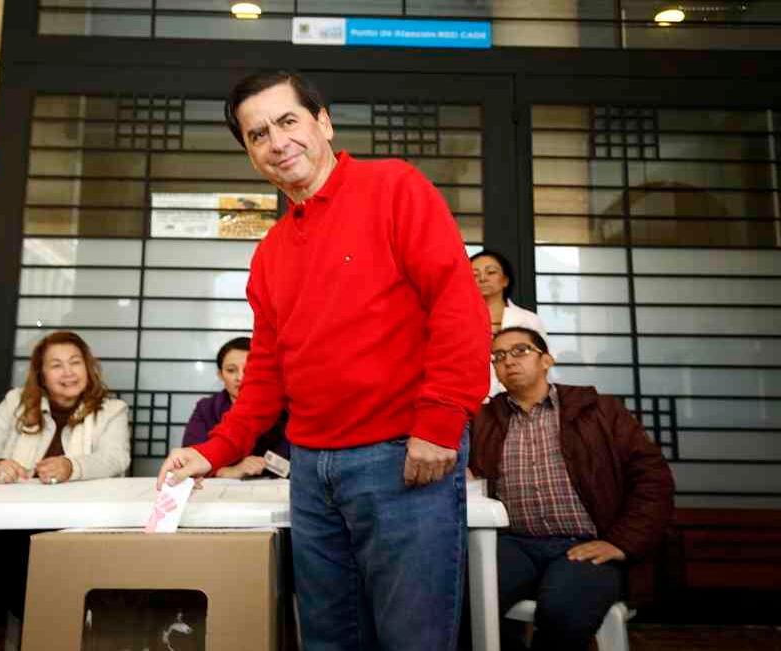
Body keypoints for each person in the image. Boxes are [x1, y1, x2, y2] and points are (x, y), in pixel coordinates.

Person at [157, 70, 490, 650]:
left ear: (323, 123)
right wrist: (211, 451)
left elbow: (457, 306)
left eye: (288, 121)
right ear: (250, 154)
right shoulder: (269, 254)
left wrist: (440, 421)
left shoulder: (395, 187)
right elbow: (265, 375)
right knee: (329, 639)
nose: (277, 142)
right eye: (257, 135)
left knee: (414, 639)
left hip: (403, 455)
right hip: (311, 471)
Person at [469, 326, 674, 651]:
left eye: (520, 351)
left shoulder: (599, 411)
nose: (508, 361)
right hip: (513, 543)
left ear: (546, 360)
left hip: (586, 543)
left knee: (564, 611)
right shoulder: (485, 420)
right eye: (498, 356)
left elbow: (653, 479)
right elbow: (468, 473)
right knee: (463, 599)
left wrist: (620, 542)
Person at [0, 330, 131, 618]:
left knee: (69, 572)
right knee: (13, 563)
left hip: (81, 525)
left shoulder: (112, 410)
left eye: (75, 362)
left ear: (88, 368)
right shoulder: (16, 403)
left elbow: (116, 459)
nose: (68, 372)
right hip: (17, 525)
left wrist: (72, 466)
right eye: (56, 365)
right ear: (41, 374)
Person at [182, 336, 288, 479]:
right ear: (220, 374)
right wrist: (231, 471)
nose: (240, 377)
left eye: (249, 370)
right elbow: (191, 458)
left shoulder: (282, 409)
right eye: (231, 370)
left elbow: (295, 461)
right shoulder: (206, 408)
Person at [470, 249, 548, 397]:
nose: (482, 278)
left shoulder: (529, 319)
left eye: (491, 272)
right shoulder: (456, 320)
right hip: (472, 399)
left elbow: (542, 363)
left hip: (519, 399)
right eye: (474, 275)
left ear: (505, 280)